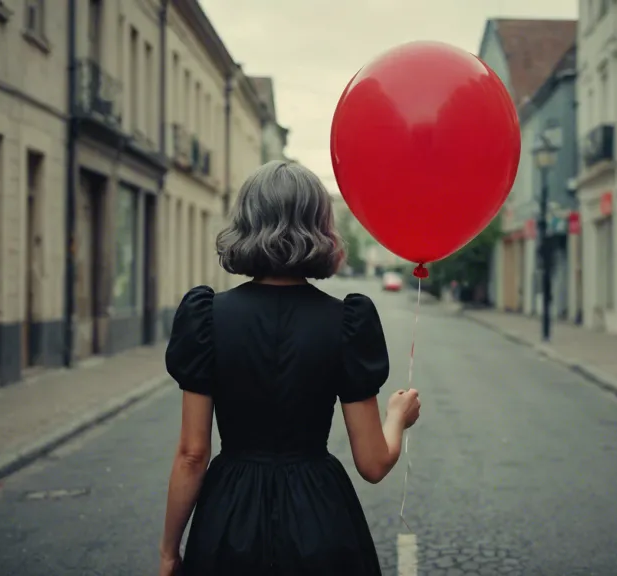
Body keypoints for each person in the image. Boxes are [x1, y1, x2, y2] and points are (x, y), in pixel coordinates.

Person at [159, 160, 422, 576]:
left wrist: (170, 551)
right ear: (321, 228)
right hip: (320, 517)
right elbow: (373, 463)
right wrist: (397, 417)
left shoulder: (207, 317)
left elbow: (192, 455)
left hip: (229, 518)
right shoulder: (347, 322)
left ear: (245, 222)